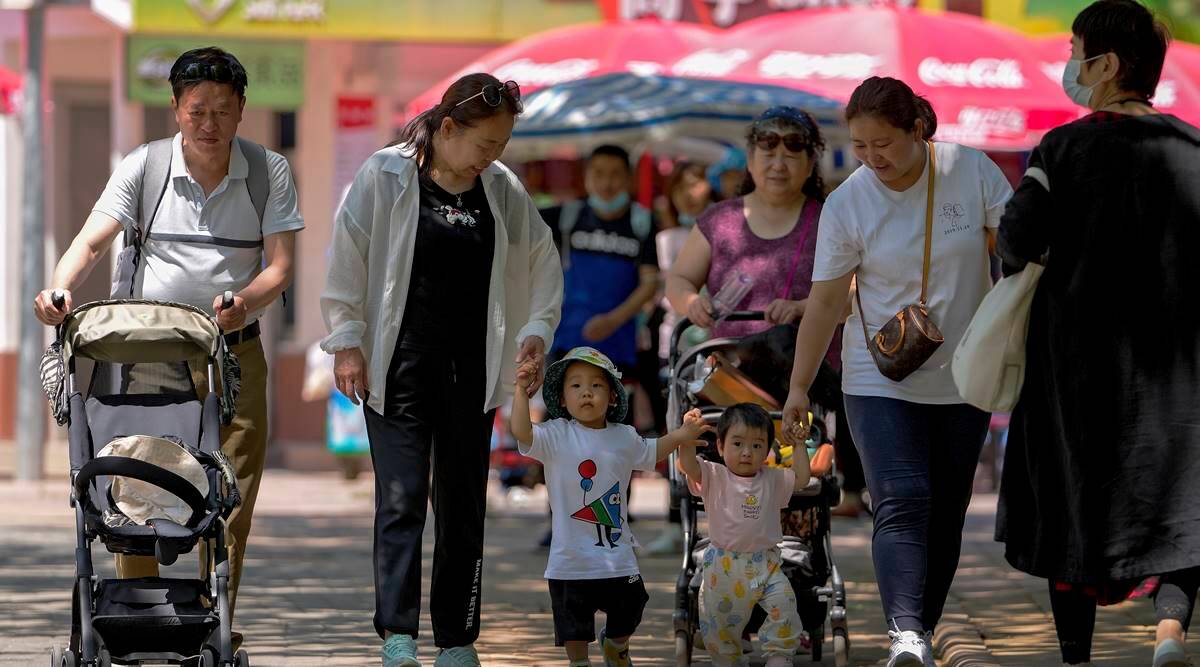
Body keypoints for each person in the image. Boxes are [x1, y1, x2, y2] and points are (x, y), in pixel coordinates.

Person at [32, 46, 302, 645]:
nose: (210, 124)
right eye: (197, 109)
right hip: (151, 354)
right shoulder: (144, 167)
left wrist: (243, 303)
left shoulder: (267, 171)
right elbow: (92, 241)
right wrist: (58, 286)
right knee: (137, 475)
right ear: (176, 108)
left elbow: (280, 267)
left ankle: (214, 617)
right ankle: (141, 616)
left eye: (223, 111)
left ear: (242, 111)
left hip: (236, 352)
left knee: (230, 486)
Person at [320, 73, 562, 667]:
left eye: (502, 146)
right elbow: (347, 256)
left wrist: (534, 332)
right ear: (448, 128)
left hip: (472, 374)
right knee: (401, 500)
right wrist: (347, 341)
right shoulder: (386, 175)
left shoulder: (501, 189)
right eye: (485, 144)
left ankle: (456, 639)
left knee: (461, 509)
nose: (493, 157)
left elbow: (542, 259)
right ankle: (398, 633)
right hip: (398, 368)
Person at [992, 3, 1200, 666]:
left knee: (1070, 510)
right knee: (1184, 503)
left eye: (1076, 51)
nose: (1070, 67)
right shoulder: (1194, 149)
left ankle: (1077, 656)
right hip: (1180, 369)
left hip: (1076, 370)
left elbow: (1017, 244)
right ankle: (1169, 632)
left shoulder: (1063, 149)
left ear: (1105, 65)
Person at [781, 76, 1013, 667]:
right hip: (879, 374)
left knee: (947, 507)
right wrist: (800, 386)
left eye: (882, 142)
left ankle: (922, 629)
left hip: (966, 373)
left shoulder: (970, 170)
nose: (871, 157)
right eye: (859, 145)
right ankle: (905, 635)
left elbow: (1013, 263)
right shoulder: (849, 202)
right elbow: (828, 301)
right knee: (902, 498)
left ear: (918, 129)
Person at [509, 346, 713, 667]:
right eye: (575, 386)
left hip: (616, 556)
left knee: (632, 606)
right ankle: (579, 663)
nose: (586, 392)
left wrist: (682, 435)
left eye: (597, 385)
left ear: (613, 397)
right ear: (562, 399)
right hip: (569, 559)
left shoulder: (624, 436)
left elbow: (653, 450)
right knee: (573, 627)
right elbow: (521, 431)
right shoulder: (556, 435)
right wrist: (520, 391)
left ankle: (616, 644)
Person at [676, 403, 811, 667]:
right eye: (737, 444)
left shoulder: (772, 478)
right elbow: (687, 464)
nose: (747, 453)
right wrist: (686, 436)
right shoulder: (714, 475)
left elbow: (803, 478)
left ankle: (779, 655)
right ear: (721, 446)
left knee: (784, 605)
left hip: (767, 564)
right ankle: (729, 660)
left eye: (757, 445)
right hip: (723, 567)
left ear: (768, 450)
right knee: (720, 626)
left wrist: (798, 445)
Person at [540, 145, 660, 386]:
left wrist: (612, 321)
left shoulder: (642, 223)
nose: (607, 182)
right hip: (567, 341)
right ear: (586, 176)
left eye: (615, 174)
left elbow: (650, 284)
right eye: (598, 173)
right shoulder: (567, 215)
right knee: (561, 419)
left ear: (629, 178)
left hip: (620, 347)